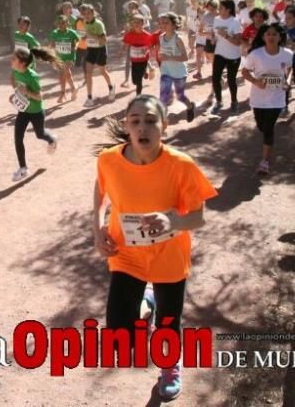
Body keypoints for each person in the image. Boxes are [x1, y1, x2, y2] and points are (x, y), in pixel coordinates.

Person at [93, 95, 217, 402]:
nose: (142, 127)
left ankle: (169, 365)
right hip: (127, 255)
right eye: (135, 121)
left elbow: (198, 218)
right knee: (120, 337)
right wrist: (97, 228)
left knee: (168, 322)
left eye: (150, 120)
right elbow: (100, 189)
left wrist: (171, 220)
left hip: (169, 258)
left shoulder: (181, 165)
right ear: (127, 126)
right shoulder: (109, 159)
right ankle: (145, 305)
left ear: (165, 124)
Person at [242, 24, 294, 175]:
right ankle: (267, 144)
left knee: (269, 128)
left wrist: (288, 80)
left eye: (274, 34)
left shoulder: (287, 54)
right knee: (261, 126)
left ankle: (264, 162)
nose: (271, 37)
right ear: (264, 37)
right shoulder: (256, 54)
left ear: (280, 37)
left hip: (277, 98)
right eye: (268, 34)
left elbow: (289, 70)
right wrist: (256, 81)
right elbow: (244, 72)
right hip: (258, 98)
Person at [9, 46, 61, 181]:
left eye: (14, 58)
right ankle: (23, 168)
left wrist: (26, 92)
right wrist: (16, 94)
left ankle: (52, 139)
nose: (11, 60)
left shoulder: (33, 76)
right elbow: (13, 80)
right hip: (23, 111)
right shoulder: (15, 71)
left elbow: (39, 97)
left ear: (22, 63)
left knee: (40, 134)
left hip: (36, 112)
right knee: (18, 138)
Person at [152, 12, 196, 122]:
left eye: (166, 23)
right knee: (163, 96)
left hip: (179, 72)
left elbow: (185, 57)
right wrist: (158, 54)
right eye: (161, 23)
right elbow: (162, 53)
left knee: (180, 96)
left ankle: (190, 106)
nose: (163, 25)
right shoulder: (161, 37)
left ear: (173, 25)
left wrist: (169, 57)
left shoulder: (178, 39)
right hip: (166, 70)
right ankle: (162, 121)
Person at [210, 0, 243, 115]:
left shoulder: (235, 21)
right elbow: (214, 33)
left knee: (231, 80)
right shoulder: (216, 19)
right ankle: (219, 102)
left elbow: (239, 42)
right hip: (219, 53)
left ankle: (234, 102)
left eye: (221, 8)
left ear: (228, 10)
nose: (219, 9)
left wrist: (226, 36)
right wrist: (213, 39)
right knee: (215, 78)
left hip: (233, 55)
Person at [80, 3, 116, 107]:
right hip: (91, 49)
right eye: (85, 14)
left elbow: (104, 40)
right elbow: (87, 35)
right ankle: (90, 98)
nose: (86, 16)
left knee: (102, 71)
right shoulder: (85, 23)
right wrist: (84, 38)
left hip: (100, 49)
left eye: (88, 13)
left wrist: (90, 35)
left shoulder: (99, 24)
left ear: (93, 13)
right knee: (88, 73)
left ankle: (111, 87)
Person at [48, 14, 81, 102]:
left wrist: (75, 47)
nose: (61, 25)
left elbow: (78, 40)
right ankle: (74, 88)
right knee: (67, 73)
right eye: (59, 23)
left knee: (62, 72)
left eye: (63, 23)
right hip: (60, 57)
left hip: (69, 57)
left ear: (67, 23)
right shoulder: (55, 33)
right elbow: (51, 44)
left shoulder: (71, 32)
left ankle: (62, 93)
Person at [122, 13, 156, 96]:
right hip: (134, 60)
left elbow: (151, 47)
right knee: (134, 81)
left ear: (143, 24)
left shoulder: (147, 36)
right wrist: (123, 49)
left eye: (138, 22)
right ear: (132, 24)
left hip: (143, 60)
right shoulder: (130, 34)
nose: (136, 24)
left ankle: (138, 96)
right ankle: (145, 73)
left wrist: (148, 50)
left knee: (139, 81)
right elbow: (125, 44)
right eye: (135, 22)